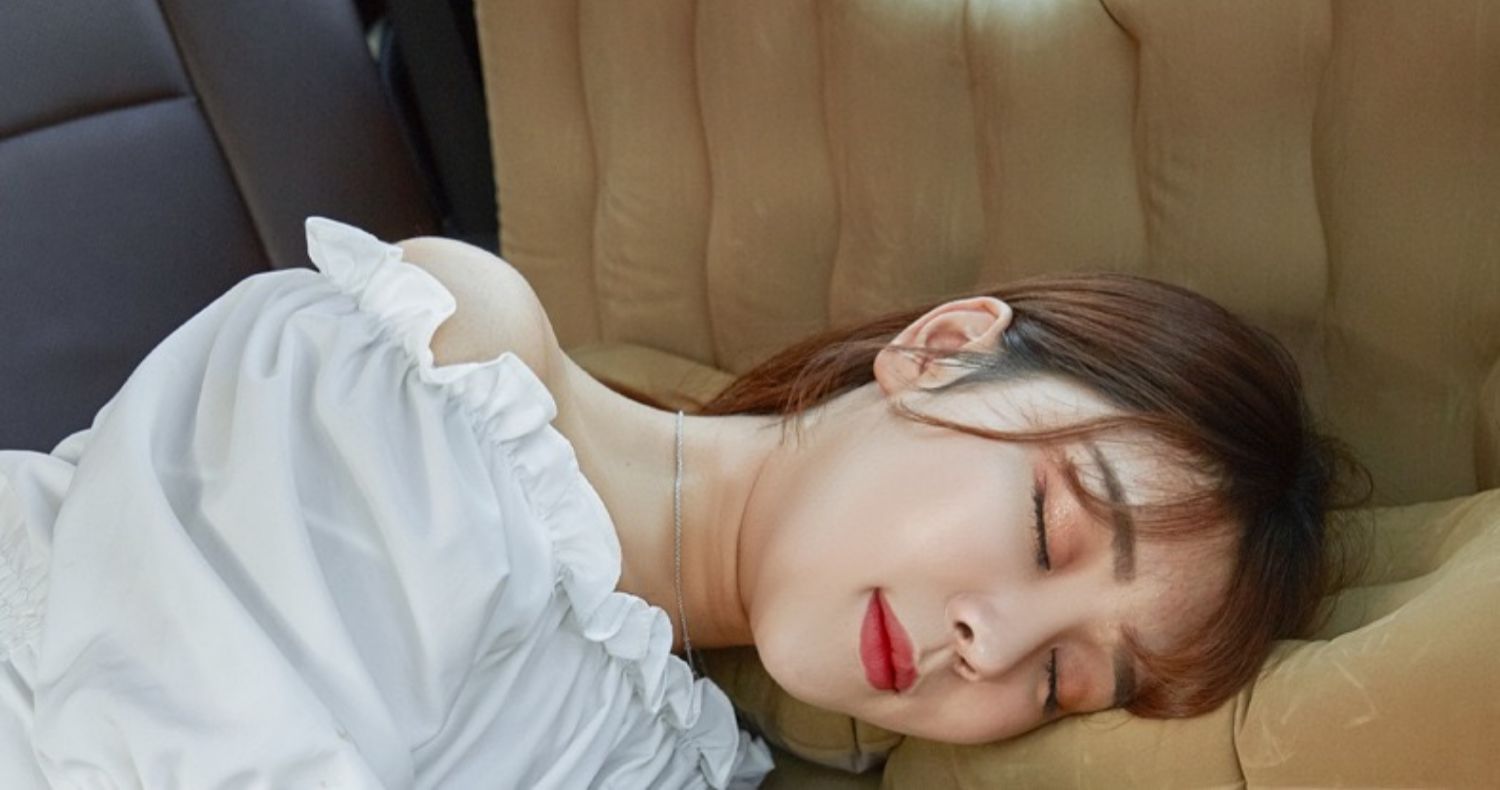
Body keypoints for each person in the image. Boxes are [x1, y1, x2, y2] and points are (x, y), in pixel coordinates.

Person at [0, 218, 1362, 788]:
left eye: (1064, 680)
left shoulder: (680, 763)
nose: (990, 646)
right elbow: (149, 733)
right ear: (944, 347)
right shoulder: (450, 354)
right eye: (1047, 530)